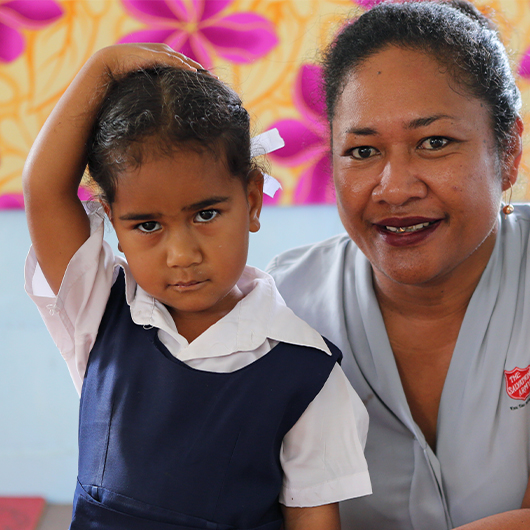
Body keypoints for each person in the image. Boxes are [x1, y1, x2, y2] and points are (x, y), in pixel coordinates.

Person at [22, 44, 372, 530]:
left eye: (206, 214)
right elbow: (44, 191)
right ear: (113, 223)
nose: (182, 254)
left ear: (252, 200)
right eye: (147, 225)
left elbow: (312, 519)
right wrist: (103, 65)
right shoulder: (98, 309)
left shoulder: (307, 374)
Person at [267, 1, 530, 529]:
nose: (394, 188)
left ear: (507, 153)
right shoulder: (278, 311)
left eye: (435, 143)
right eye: (363, 151)